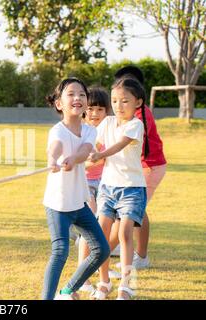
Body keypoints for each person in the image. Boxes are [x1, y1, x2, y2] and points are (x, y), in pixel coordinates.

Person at [42, 78, 110, 300]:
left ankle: (67, 291)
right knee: (60, 252)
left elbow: (85, 151)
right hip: (58, 203)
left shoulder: (90, 131)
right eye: (71, 94)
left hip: (79, 203)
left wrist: (73, 158)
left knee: (101, 250)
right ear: (59, 104)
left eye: (81, 94)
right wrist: (53, 158)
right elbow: (56, 146)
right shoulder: (57, 130)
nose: (77, 98)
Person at [89, 77, 148, 300]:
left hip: (131, 189)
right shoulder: (106, 123)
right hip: (108, 188)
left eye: (125, 101)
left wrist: (99, 155)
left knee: (124, 233)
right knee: (101, 234)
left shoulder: (135, 124)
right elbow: (93, 143)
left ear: (138, 103)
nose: (118, 105)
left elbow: (118, 145)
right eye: (114, 100)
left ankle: (127, 283)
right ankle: (104, 282)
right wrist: (80, 156)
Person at [109, 66, 167, 269]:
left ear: (137, 95)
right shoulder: (126, 114)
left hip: (149, 167)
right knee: (136, 210)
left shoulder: (141, 116)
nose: (120, 99)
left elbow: (130, 142)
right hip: (139, 168)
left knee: (133, 210)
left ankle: (137, 256)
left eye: (126, 93)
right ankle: (132, 252)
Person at [76, 87, 120, 294]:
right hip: (86, 185)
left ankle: (102, 266)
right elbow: (80, 163)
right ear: (84, 109)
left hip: (108, 184)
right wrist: (94, 159)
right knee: (90, 226)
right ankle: (82, 278)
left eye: (100, 109)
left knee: (110, 228)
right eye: (91, 108)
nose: (95, 113)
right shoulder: (82, 132)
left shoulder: (111, 130)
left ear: (107, 111)